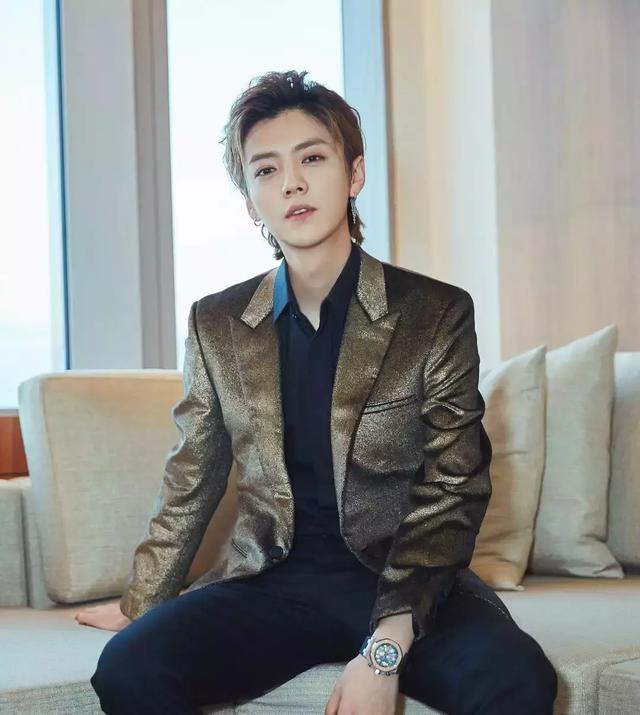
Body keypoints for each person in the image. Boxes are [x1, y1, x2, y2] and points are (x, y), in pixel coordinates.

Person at [79, 69, 558, 714]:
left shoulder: (434, 312)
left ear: (354, 174)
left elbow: (455, 485)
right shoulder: (217, 324)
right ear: (251, 202)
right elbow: (193, 475)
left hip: (406, 581)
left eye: (312, 159)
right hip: (271, 583)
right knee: (128, 668)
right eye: (266, 169)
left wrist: (386, 646)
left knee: (519, 679)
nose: (292, 183)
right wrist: (143, 600)